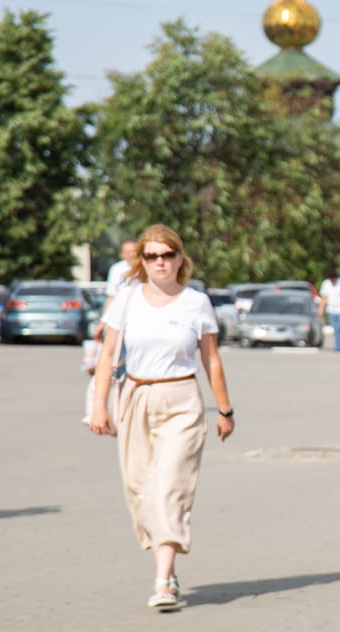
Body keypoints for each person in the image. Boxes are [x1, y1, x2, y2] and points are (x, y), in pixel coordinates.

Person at [89, 225, 235, 609]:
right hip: (135, 396)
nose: (160, 263)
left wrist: (224, 409)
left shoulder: (196, 303)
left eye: (167, 255)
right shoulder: (127, 299)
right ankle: (164, 565)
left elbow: (211, 359)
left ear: (179, 259)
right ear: (141, 261)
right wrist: (99, 406)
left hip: (182, 399)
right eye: (151, 256)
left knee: (170, 486)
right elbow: (107, 356)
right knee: (139, 488)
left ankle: (163, 579)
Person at [94, 240, 138, 341]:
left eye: (134, 251)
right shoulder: (117, 269)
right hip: (120, 316)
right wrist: (103, 322)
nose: (131, 254)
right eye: (128, 252)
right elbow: (111, 297)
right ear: (122, 254)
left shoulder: (146, 268)